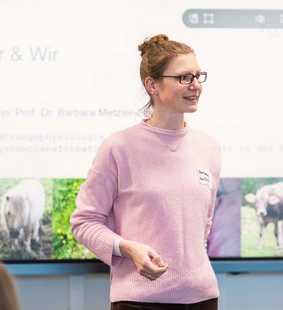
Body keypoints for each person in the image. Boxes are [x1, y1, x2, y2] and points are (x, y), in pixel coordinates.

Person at [70, 34, 221, 310]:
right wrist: (128, 248)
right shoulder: (118, 147)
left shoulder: (209, 148)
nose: (196, 85)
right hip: (138, 301)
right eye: (184, 77)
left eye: (199, 76)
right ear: (152, 85)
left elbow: (204, 228)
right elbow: (84, 222)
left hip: (203, 298)